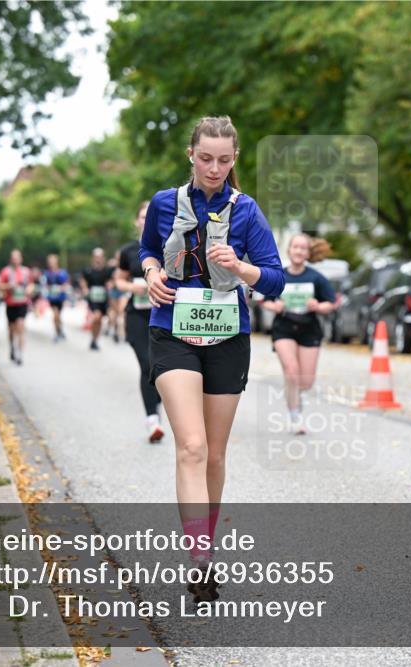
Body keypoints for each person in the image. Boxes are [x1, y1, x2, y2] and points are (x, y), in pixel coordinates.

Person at [140, 115, 285, 602]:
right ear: (190, 154)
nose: (214, 168)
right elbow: (147, 250)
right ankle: (198, 560)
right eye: (206, 158)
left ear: (235, 159)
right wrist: (152, 270)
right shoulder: (165, 203)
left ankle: (207, 545)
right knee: (193, 447)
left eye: (224, 160)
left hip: (227, 337)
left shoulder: (246, 211)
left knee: (216, 454)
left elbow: (275, 278)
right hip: (172, 332)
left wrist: (241, 267)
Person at [260, 234, 337, 434]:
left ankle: (294, 392)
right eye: (296, 247)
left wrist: (318, 306)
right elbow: (264, 300)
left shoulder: (316, 278)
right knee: (291, 370)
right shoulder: (280, 275)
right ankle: (295, 416)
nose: (299, 251)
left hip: (309, 328)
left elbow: (331, 302)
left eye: (303, 248)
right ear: (289, 250)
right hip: (284, 327)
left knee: (305, 381)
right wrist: (274, 306)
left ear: (308, 253)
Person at [116, 201, 165, 444]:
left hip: (164, 314)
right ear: (137, 221)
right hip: (136, 315)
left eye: (151, 216)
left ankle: (157, 403)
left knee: (161, 369)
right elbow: (119, 281)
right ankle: (152, 420)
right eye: (143, 216)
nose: (147, 220)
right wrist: (133, 287)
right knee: (147, 365)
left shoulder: (170, 246)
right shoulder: (128, 251)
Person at [0, 249, 33, 365]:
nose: (15, 260)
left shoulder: (26, 271)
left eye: (17, 258)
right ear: (10, 259)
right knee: (12, 329)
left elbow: (31, 284)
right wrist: (9, 286)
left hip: (22, 303)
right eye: (13, 258)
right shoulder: (6, 272)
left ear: (21, 259)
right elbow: (0, 286)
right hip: (10, 304)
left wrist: (29, 289)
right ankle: (12, 347)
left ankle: (20, 354)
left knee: (21, 326)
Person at [81, 248, 112, 351]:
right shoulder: (88, 270)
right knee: (97, 316)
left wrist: (110, 285)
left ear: (103, 258)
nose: (98, 259)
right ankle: (94, 339)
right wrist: (85, 289)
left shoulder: (106, 270)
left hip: (103, 298)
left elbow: (111, 281)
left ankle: (94, 340)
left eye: (100, 257)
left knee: (99, 320)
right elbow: (83, 280)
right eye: (96, 257)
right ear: (93, 258)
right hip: (93, 297)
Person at [43, 254, 70, 342]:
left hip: (60, 297)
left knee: (58, 315)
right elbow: (44, 285)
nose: (51, 263)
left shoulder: (62, 272)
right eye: (50, 261)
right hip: (52, 297)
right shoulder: (47, 273)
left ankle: (60, 329)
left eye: (53, 261)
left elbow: (66, 284)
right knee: (55, 314)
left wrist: (60, 288)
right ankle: (57, 332)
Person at [107, 249, 128, 343]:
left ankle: (125, 332)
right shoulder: (112, 266)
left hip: (123, 291)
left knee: (122, 311)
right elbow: (107, 278)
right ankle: (116, 330)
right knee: (115, 312)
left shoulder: (126, 264)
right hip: (114, 291)